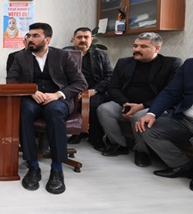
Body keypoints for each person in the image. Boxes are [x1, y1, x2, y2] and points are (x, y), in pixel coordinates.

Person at [7, 23, 87, 194]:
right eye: (29, 35)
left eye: (36, 36)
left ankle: (57, 169)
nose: (30, 39)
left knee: (55, 112)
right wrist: (31, 91)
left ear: (47, 39)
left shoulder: (63, 56)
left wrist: (58, 94)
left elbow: (81, 82)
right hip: (32, 98)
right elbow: (11, 80)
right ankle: (33, 167)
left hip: (56, 98)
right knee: (23, 111)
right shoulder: (21, 57)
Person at [97, 32, 181, 167]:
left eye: (143, 46)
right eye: (135, 46)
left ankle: (141, 151)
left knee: (139, 116)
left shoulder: (171, 63)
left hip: (152, 107)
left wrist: (142, 106)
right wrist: (125, 103)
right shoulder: (124, 62)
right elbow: (113, 87)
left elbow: (170, 93)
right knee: (104, 109)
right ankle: (119, 145)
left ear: (157, 48)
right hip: (126, 103)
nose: (137, 49)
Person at [135, 58, 193, 190]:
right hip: (184, 119)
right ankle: (183, 166)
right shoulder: (190, 64)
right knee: (147, 128)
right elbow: (171, 91)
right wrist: (151, 114)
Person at [68, 27, 114, 151]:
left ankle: (96, 138)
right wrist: (73, 91)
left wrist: (94, 91)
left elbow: (109, 76)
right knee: (69, 103)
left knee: (94, 105)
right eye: (79, 37)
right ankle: (77, 133)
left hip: (96, 91)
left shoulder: (101, 55)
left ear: (91, 40)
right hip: (73, 90)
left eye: (86, 37)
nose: (83, 40)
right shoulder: (66, 56)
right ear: (73, 39)